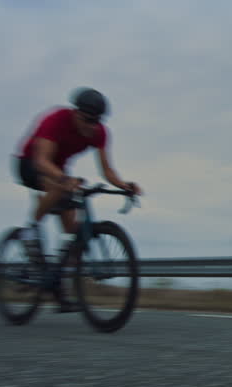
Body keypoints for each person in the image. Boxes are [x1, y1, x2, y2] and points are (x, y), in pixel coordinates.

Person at [13, 87, 142, 311]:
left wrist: (124, 186)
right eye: (87, 120)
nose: (91, 126)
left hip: (59, 170)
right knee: (61, 188)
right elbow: (42, 161)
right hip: (30, 163)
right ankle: (30, 230)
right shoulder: (56, 120)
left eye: (96, 121)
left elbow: (107, 171)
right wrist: (64, 178)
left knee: (72, 230)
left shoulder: (99, 132)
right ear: (75, 112)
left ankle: (57, 286)